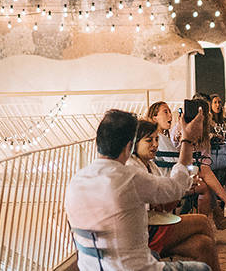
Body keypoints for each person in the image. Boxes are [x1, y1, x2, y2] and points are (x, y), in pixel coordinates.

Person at [65, 108, 211, 271]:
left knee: (202, 245)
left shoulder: (75, 181)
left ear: (98, 141)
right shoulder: (128, 177)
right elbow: (176, 188)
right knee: (202, 269)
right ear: (130, 145)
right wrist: (187, 140)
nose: (155, 144)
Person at [126, 120, 222, 271]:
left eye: (156, 139)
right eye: (149, 140)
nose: (155, 145)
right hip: (146, 232)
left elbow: (167, 201)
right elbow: (161, 200)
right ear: (134, 144)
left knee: (204, 244)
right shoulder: (133, 168)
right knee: (202, 221)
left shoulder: (151, 165)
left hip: (158, 225)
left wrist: (184, 188)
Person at [172, 96, 226, 220]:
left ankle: (222, 209)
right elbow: (181, 155)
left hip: (195, 168)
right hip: (182, 169)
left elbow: (204, 159)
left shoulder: (204, 132)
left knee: (212, 169)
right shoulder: (182, 129)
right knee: (206, 171)